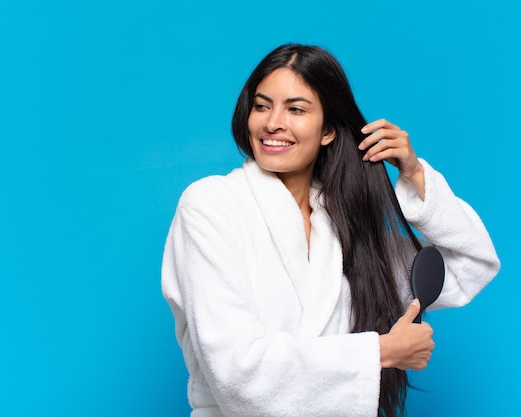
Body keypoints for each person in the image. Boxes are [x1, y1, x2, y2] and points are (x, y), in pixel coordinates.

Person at [161, 44, 500, 417]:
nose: (273, 122)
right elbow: (237, 373)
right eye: (261, 105)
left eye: (295, 109)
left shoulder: (344, 227)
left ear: (328, 132)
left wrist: (415, 174)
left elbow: (470, 264)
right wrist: (382, 351)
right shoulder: (210, 206)